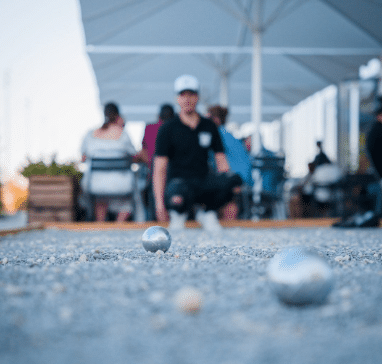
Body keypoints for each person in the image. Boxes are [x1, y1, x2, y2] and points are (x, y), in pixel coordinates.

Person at [153, 75, 242, 231]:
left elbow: (221, 160)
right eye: (183, 95)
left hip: (203, 179)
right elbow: (159, 168)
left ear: (197, 97)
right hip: (178, 183)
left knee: (234, 180)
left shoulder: (209, 125)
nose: (187, 99)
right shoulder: (168, 128)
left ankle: (208, 212)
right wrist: (159, 204)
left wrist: (227, 188)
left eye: (191, 94)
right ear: (177, 98)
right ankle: (178, 214)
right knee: (176, 197)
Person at [81, 102, 137, 222]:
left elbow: (83, 158)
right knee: (127, 202)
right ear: (118, 115)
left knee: (101, 198)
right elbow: (133, 156)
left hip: (94, 184)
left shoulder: (90, 134)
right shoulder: (122, 134)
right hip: (122, 185)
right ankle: (118, 226)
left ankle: (101, 226)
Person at [207, 105, 253, 219]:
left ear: (215, 120)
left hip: (235, 179)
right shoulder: (227, 134)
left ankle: (227, 225)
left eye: (207, 119)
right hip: (244, 178)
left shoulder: (217, 134)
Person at [135, 104, 175, 220]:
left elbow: (143, 154)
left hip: (153, 177)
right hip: (175, 176)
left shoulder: (150, 127)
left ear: (158, 116)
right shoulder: (177, 128)